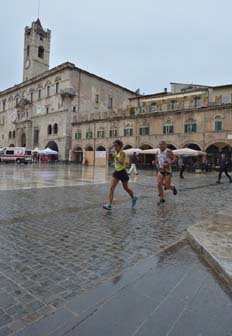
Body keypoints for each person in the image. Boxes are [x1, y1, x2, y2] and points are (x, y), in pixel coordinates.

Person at [102, 140, 138, 210]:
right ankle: (109, 204)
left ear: (120, 146)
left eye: (116, 146)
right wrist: (114, 164)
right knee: (111, 188)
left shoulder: (122, 153)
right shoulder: (116, 152)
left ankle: (134, 198)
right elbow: (117, 163)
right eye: (114, 146)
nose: (114, 147)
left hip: (122, 172)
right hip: (116, 172)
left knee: (126, 188)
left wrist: (115, 157)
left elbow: (121, 162)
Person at [156, 140, 178, 205]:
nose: (160, 146)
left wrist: (168, 163)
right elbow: (158, 159)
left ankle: (173, 188)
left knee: (167, 186)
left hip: (167, 170)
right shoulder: (158, 152)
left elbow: (175, 159)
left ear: (165, 145)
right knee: (159, 183)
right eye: (159, 144)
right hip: (160, 169)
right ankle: (162, 198)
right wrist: (155, 162)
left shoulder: (168, 151)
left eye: (162, 144)